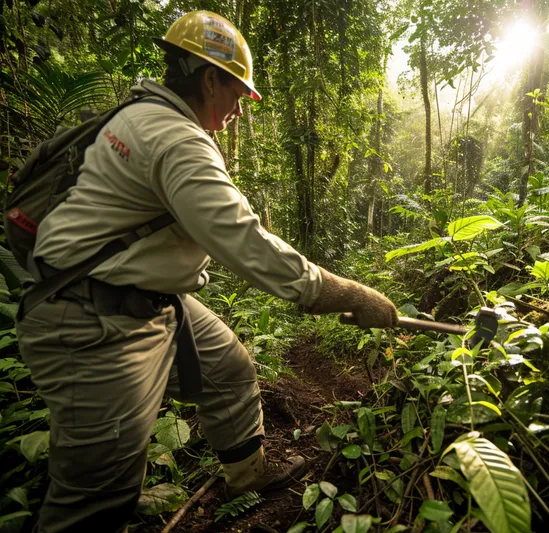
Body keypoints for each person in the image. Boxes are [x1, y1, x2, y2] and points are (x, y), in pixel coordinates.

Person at [15, 10, 397, 533]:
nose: (239, 108)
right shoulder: (177, 140)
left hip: (144, 297)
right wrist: (346, 292)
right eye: (236, 92)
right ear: (209, 78)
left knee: (227, 369)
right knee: (99, 493)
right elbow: (243, 241)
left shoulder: (141, 115)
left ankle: (247, 475)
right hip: (90, 320)